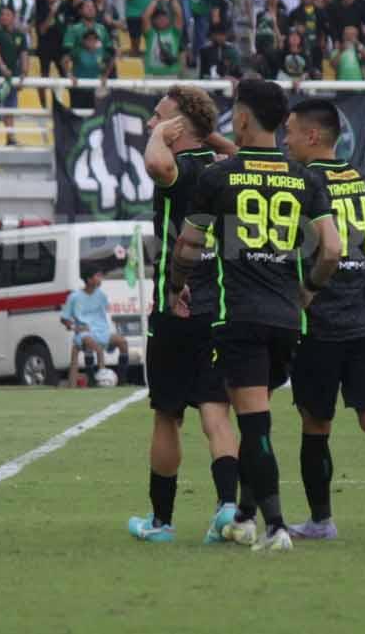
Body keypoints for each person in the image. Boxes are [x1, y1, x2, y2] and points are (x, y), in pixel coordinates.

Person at [171, 79, 342, 552]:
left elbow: (189, 244)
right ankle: (245, 515)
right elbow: (331, 248)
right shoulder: (305, 178)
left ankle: (276, 527)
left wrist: (175, 284)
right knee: (255, 419)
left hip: (239, 316)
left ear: (243, 118)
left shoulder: (218, 178)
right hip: (288, 319)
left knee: (254, 426)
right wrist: (307, 290)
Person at [282, 99, 365, 542]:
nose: (285, 140)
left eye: (290, 132)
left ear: (313, 136)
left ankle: (321, 521)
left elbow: (321, 245)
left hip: (319, 322)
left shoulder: (301, 182)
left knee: (315, 424)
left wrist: (306, 289)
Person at [127, 85, 241, 544]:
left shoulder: (175, 170)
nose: (153, 124)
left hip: (177, 306)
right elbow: (237, 151)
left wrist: (161, 138)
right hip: (221, 309)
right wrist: (209, 135)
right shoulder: (224, 168)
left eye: (160, 117)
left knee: (167, 414)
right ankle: (228, 510)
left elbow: (156, 163)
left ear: (178, 129)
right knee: (217, 412)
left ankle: (161, 523)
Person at [60, 269, 128, 388]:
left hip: (103, 332)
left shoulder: (101, 296)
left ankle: (122, 381)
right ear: (89, 279)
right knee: (92, 344)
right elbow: (64, 318)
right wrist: (74, 327)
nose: (100, 279)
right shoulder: (74, 297)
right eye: (97, 276)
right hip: (84, 333)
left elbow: (104, 314)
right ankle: (94, 379)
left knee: (122, 342)